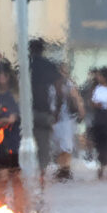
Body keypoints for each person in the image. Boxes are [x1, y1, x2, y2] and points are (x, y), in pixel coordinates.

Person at [0, 64, 27, 213]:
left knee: (17, 178)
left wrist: (7, 120)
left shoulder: (16, 95)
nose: (2, 79)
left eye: (5, 75)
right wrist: (3, 121)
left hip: (15, 140)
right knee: (2, 178)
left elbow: (16, 117)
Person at [29, 39, 60, 190]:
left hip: (26, 112)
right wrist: (56, 112)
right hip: (44, 111)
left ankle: (27, 177)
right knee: (43, 146)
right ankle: (41, 176)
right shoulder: (50, 66)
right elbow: (58, 89)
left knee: (24, 145)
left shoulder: (24, 64)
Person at [51, 63, 85, 181]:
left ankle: (65, 168)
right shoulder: (50, 85)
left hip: (66, 119)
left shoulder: (68, 84)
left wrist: (81, 111)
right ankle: (62, 168)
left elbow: (76, 97)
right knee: (58, 145)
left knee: (66, 144)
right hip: (55, 119)